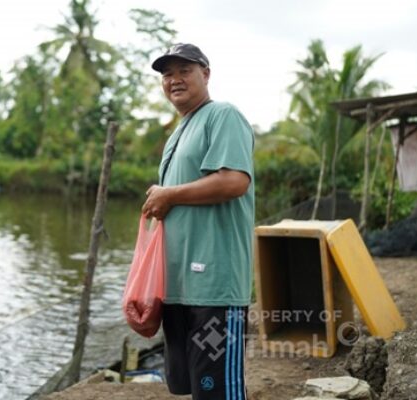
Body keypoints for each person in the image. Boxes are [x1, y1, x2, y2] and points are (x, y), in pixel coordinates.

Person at [142, 43, 255, 400]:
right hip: (178, 287)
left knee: (218, 392)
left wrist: (169, 195)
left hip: (215, 289)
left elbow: (234, 181)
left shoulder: (223, 115)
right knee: (190, 387)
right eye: (167, 74)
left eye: (184, 71)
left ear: (205, 74)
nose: (174, 79)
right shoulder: (179, 132)